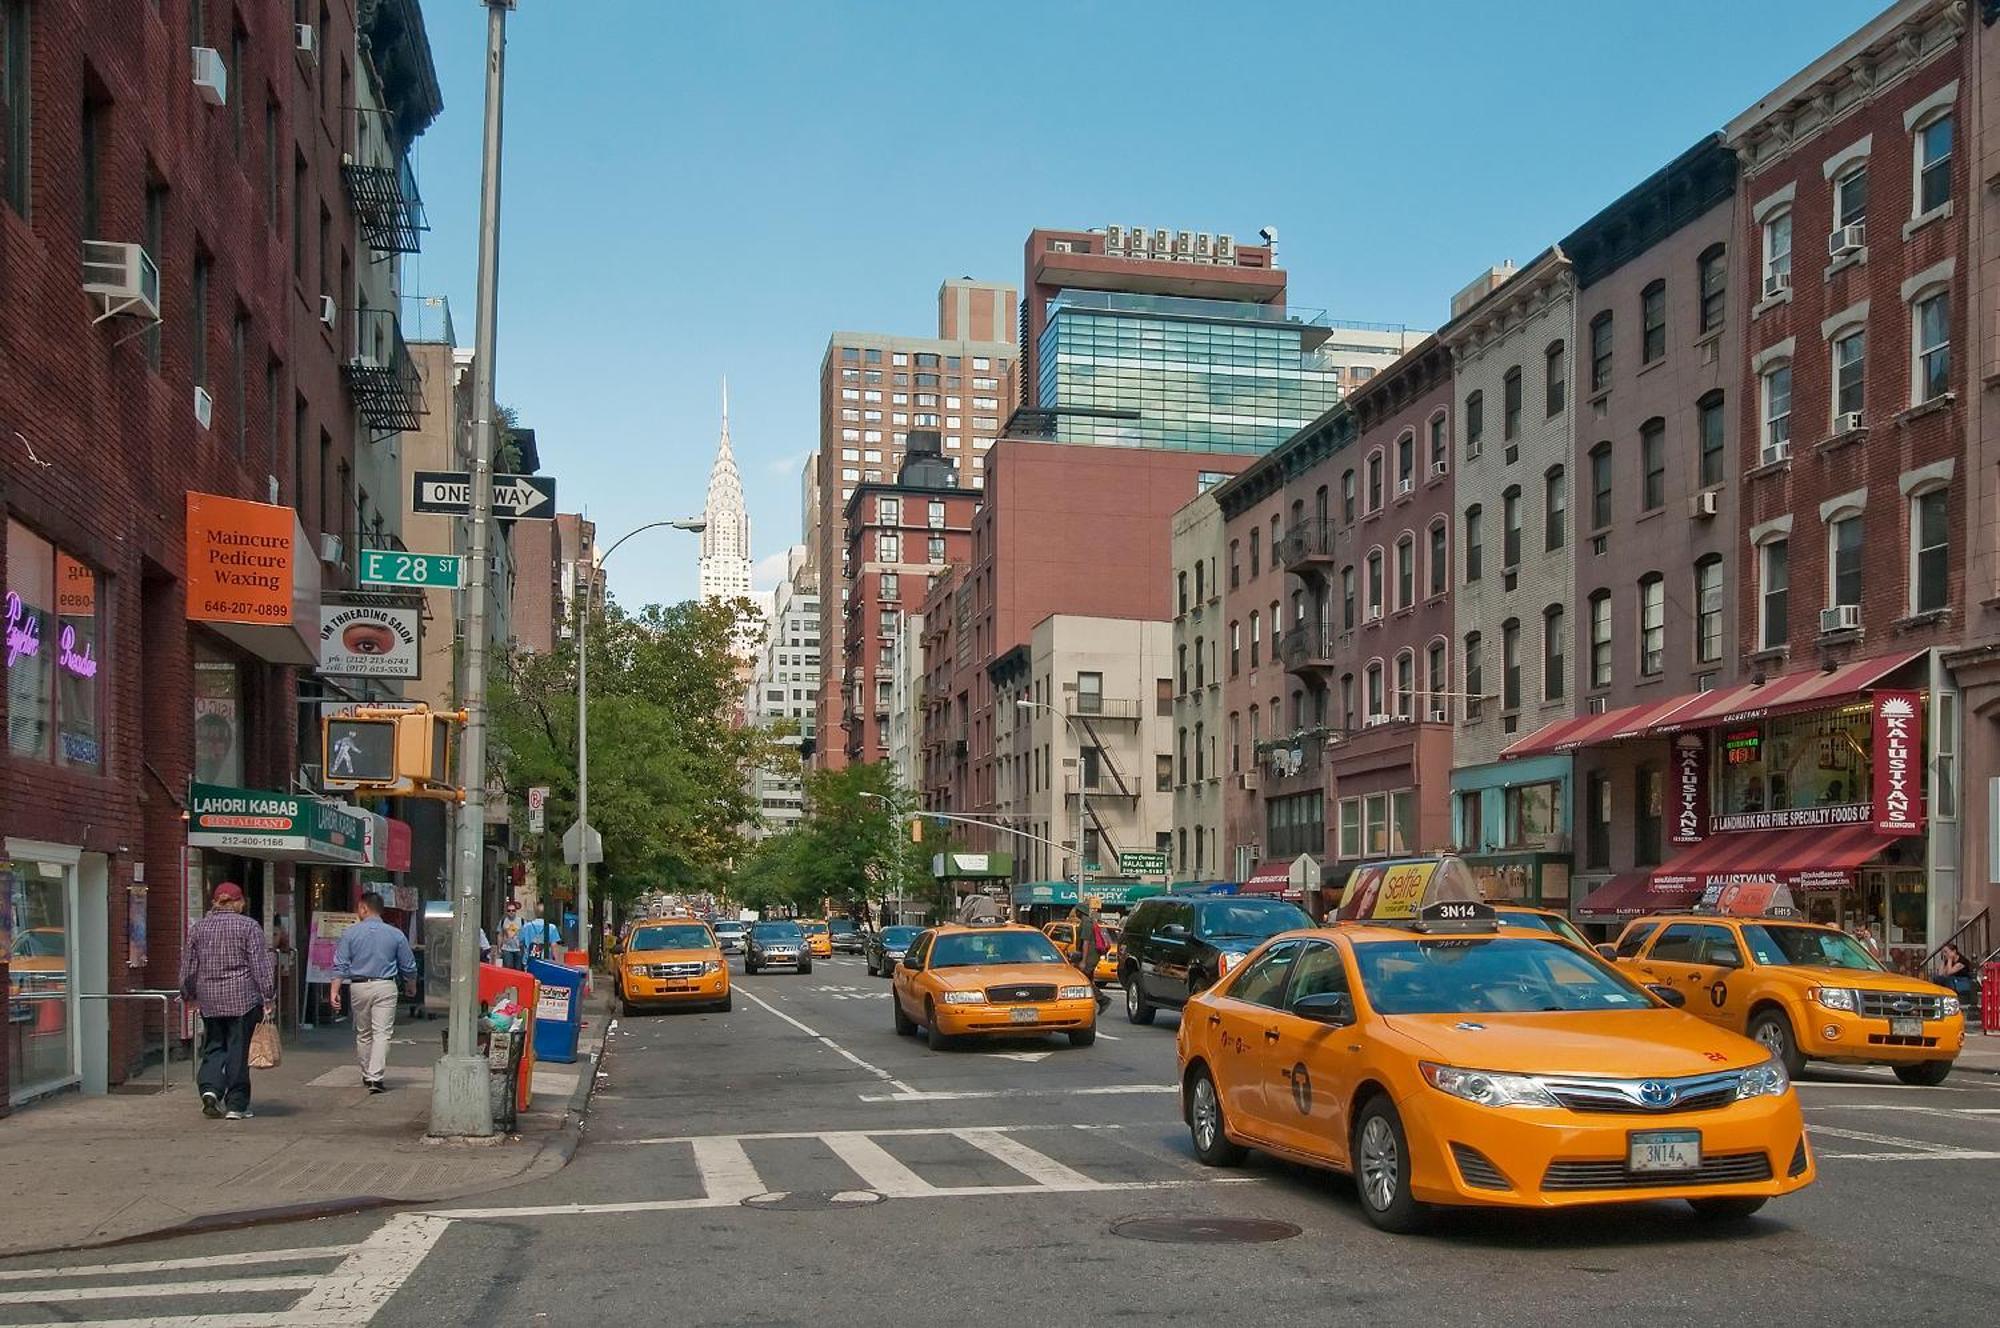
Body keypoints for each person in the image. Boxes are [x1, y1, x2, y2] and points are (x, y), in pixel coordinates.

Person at [177, 882, 274, 1121]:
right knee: (238, 1050)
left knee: (214, 1046)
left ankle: (210, 1090)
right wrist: (268, 996)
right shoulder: (249, 926)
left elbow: (188, 967)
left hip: (209, 999)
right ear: (238, 902)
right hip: (242, 998)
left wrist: (188, 994)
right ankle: (237, 1104)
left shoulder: (199, 928)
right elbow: (260, 966)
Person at [330, 891, 417, 1094]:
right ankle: (375, 1077)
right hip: (386, 986)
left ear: (363, 908)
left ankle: (366, 1072)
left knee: (364, 1033)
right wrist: (411, 983)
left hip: (358, 986)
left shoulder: (350, 933)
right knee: (382, 1034)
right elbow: (408, 963)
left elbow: (340, 964)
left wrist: (334, 990)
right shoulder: (395, 934)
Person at [499, 900, 525, 969]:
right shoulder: (503, 921)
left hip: (518, 949)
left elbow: (525, 935)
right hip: (506, 949)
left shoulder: (521, 921)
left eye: (513, 910)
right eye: (509, 910)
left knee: (518, 969)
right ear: (506, 911)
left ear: (516, 911)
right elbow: (500, 934)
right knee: (508, 968)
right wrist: (499, 947)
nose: (511, 912)